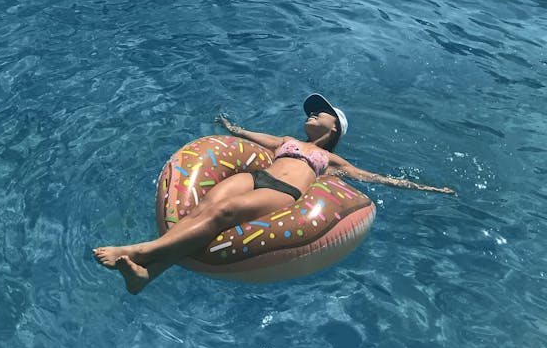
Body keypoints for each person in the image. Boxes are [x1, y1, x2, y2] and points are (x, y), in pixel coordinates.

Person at [93, 93, 456, 294]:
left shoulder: (329, 158)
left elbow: (374, 177)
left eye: (322, 113)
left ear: (334, 129)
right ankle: (146, 277)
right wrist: (228, 126)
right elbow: (249, 137)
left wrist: (427, 188)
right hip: (254, 177)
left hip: (283, 192)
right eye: (312, 111)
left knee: (222, 215)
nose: (313, 114)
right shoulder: (288, 141)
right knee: (203, 209)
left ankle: (140, 250)